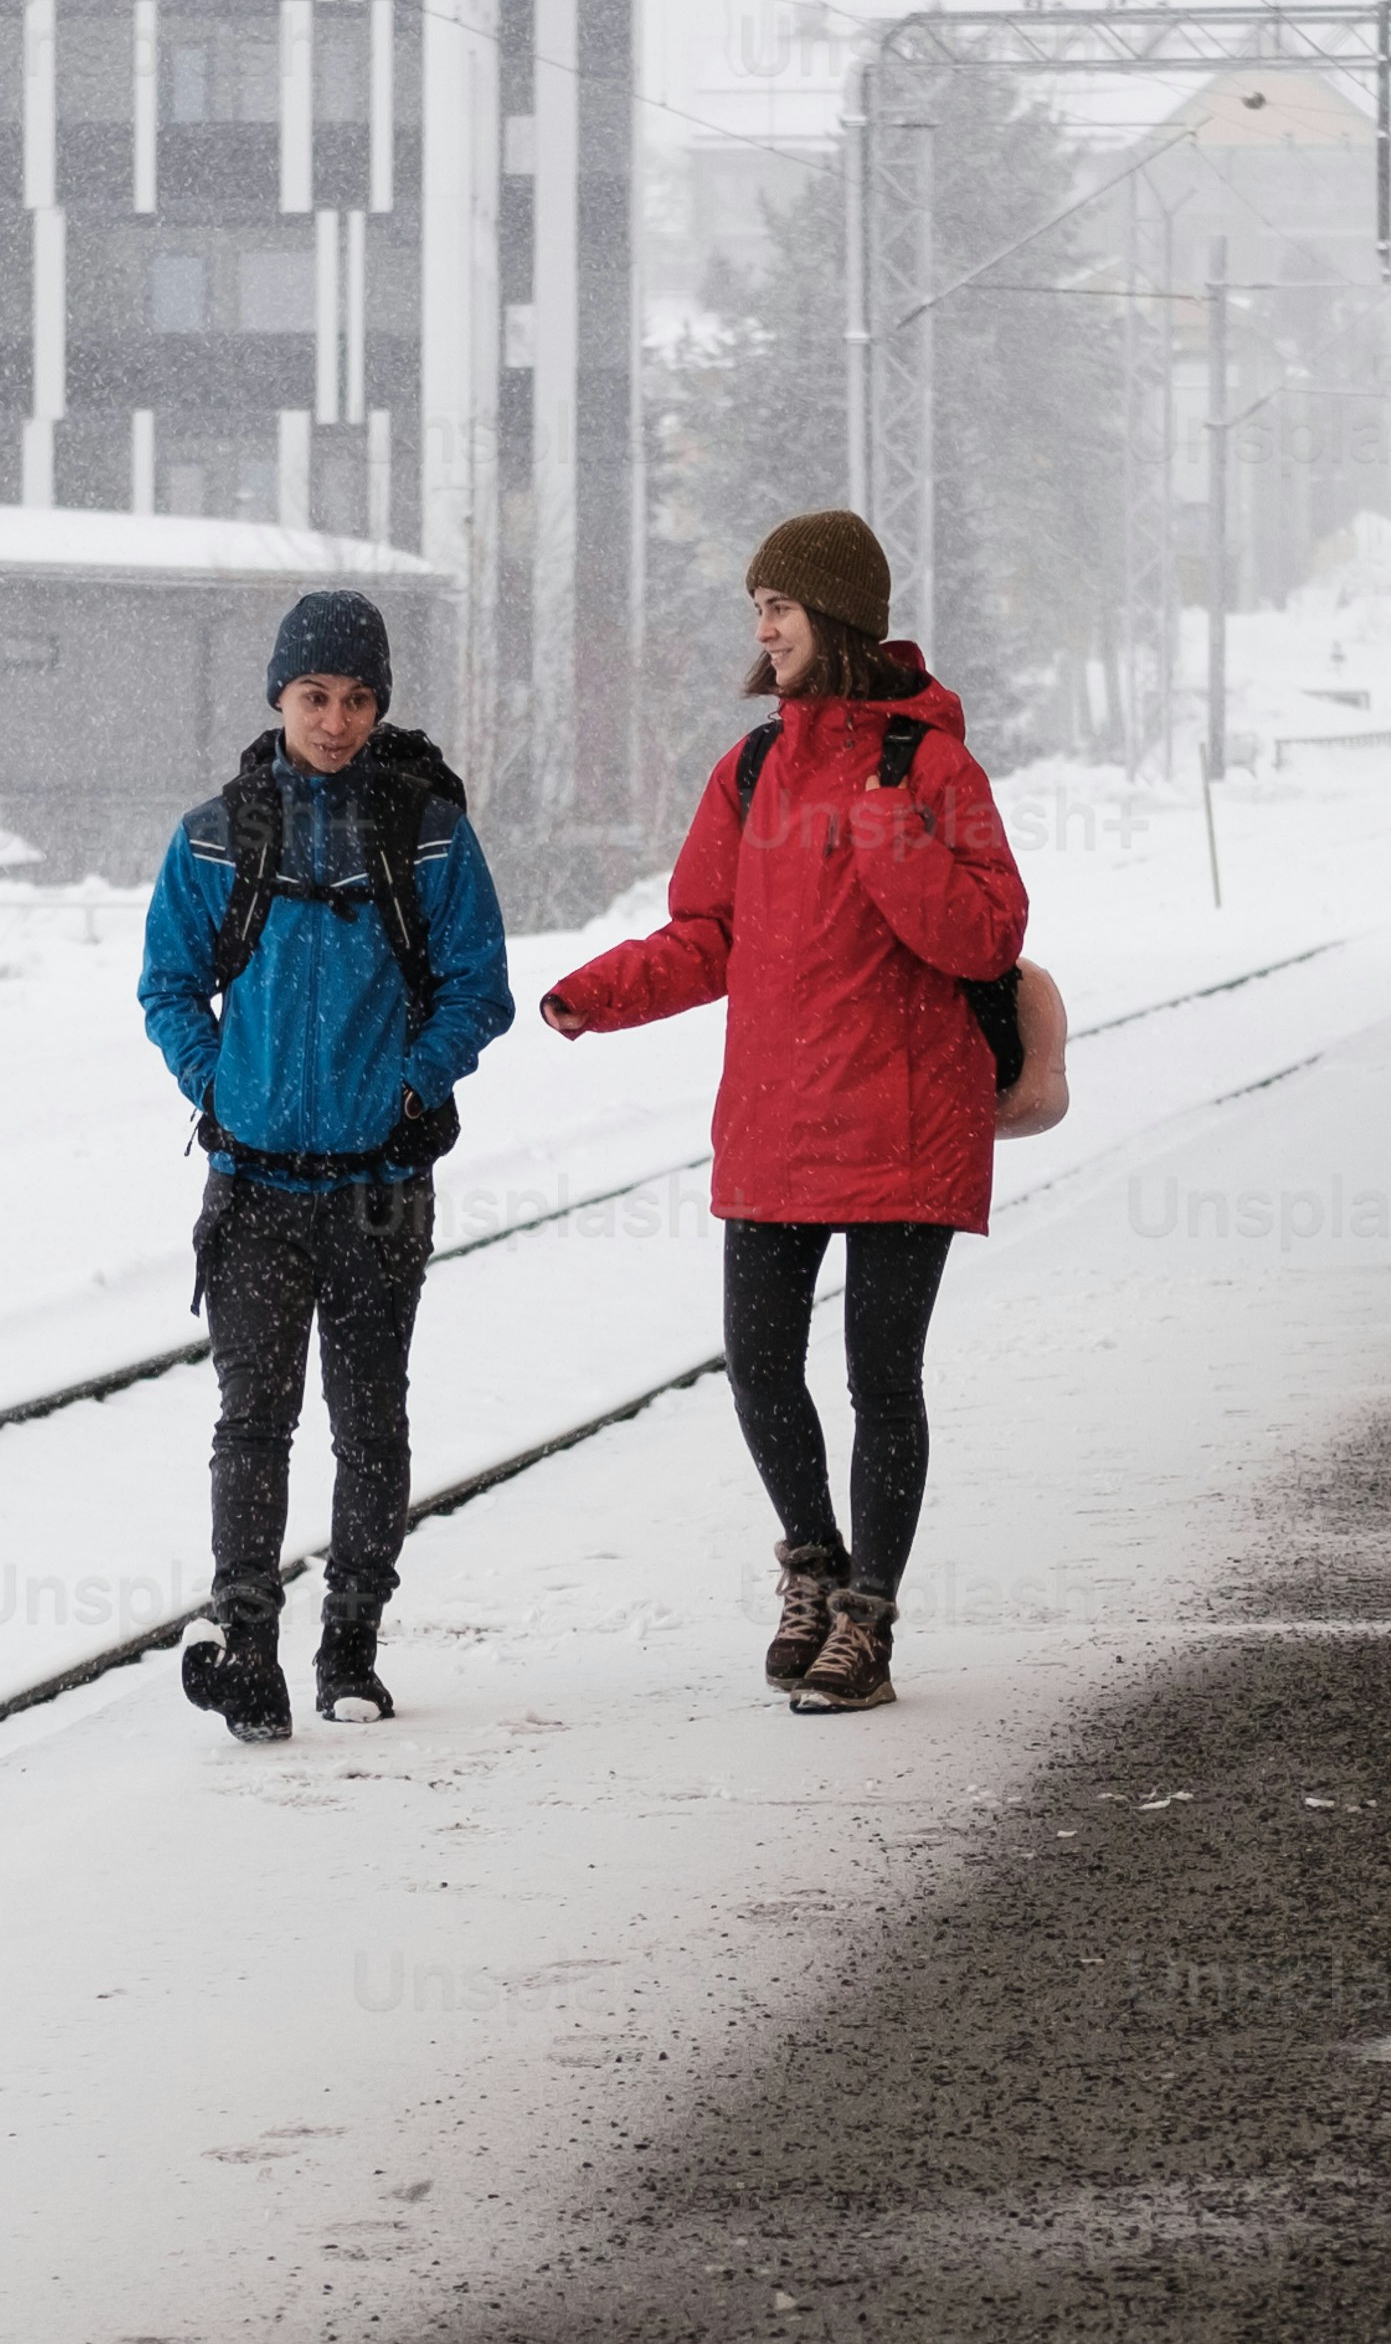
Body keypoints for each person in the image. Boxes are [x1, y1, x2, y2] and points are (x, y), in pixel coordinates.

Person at [545, 508, 1029, 1717]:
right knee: (757, 1364)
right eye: (756, 607)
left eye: (781, 605)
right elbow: (710, 933)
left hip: (906, 1119)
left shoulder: (931, 767)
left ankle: (867, 1621)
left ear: (839, 618)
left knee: (880, 1374)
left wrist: (885, 833)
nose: (763, 628)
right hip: (774, 1111)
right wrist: (599, 993)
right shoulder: (750, 766)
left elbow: (984, 935)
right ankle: (812, 1571)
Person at [135, 584, 514, 1742]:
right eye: (315, 696)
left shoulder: (429, 834)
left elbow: (477, 990)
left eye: (357, 699)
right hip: (251, 1189)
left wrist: (407, 1086)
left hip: (378, 1191)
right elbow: (166, 987)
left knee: (369, 1421)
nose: (336, 720)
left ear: (379, 704)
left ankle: (349, 1646)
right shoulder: (214, 837)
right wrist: (216, 1086)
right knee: (251, 1422)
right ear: (278, 698)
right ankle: (247, 1648)